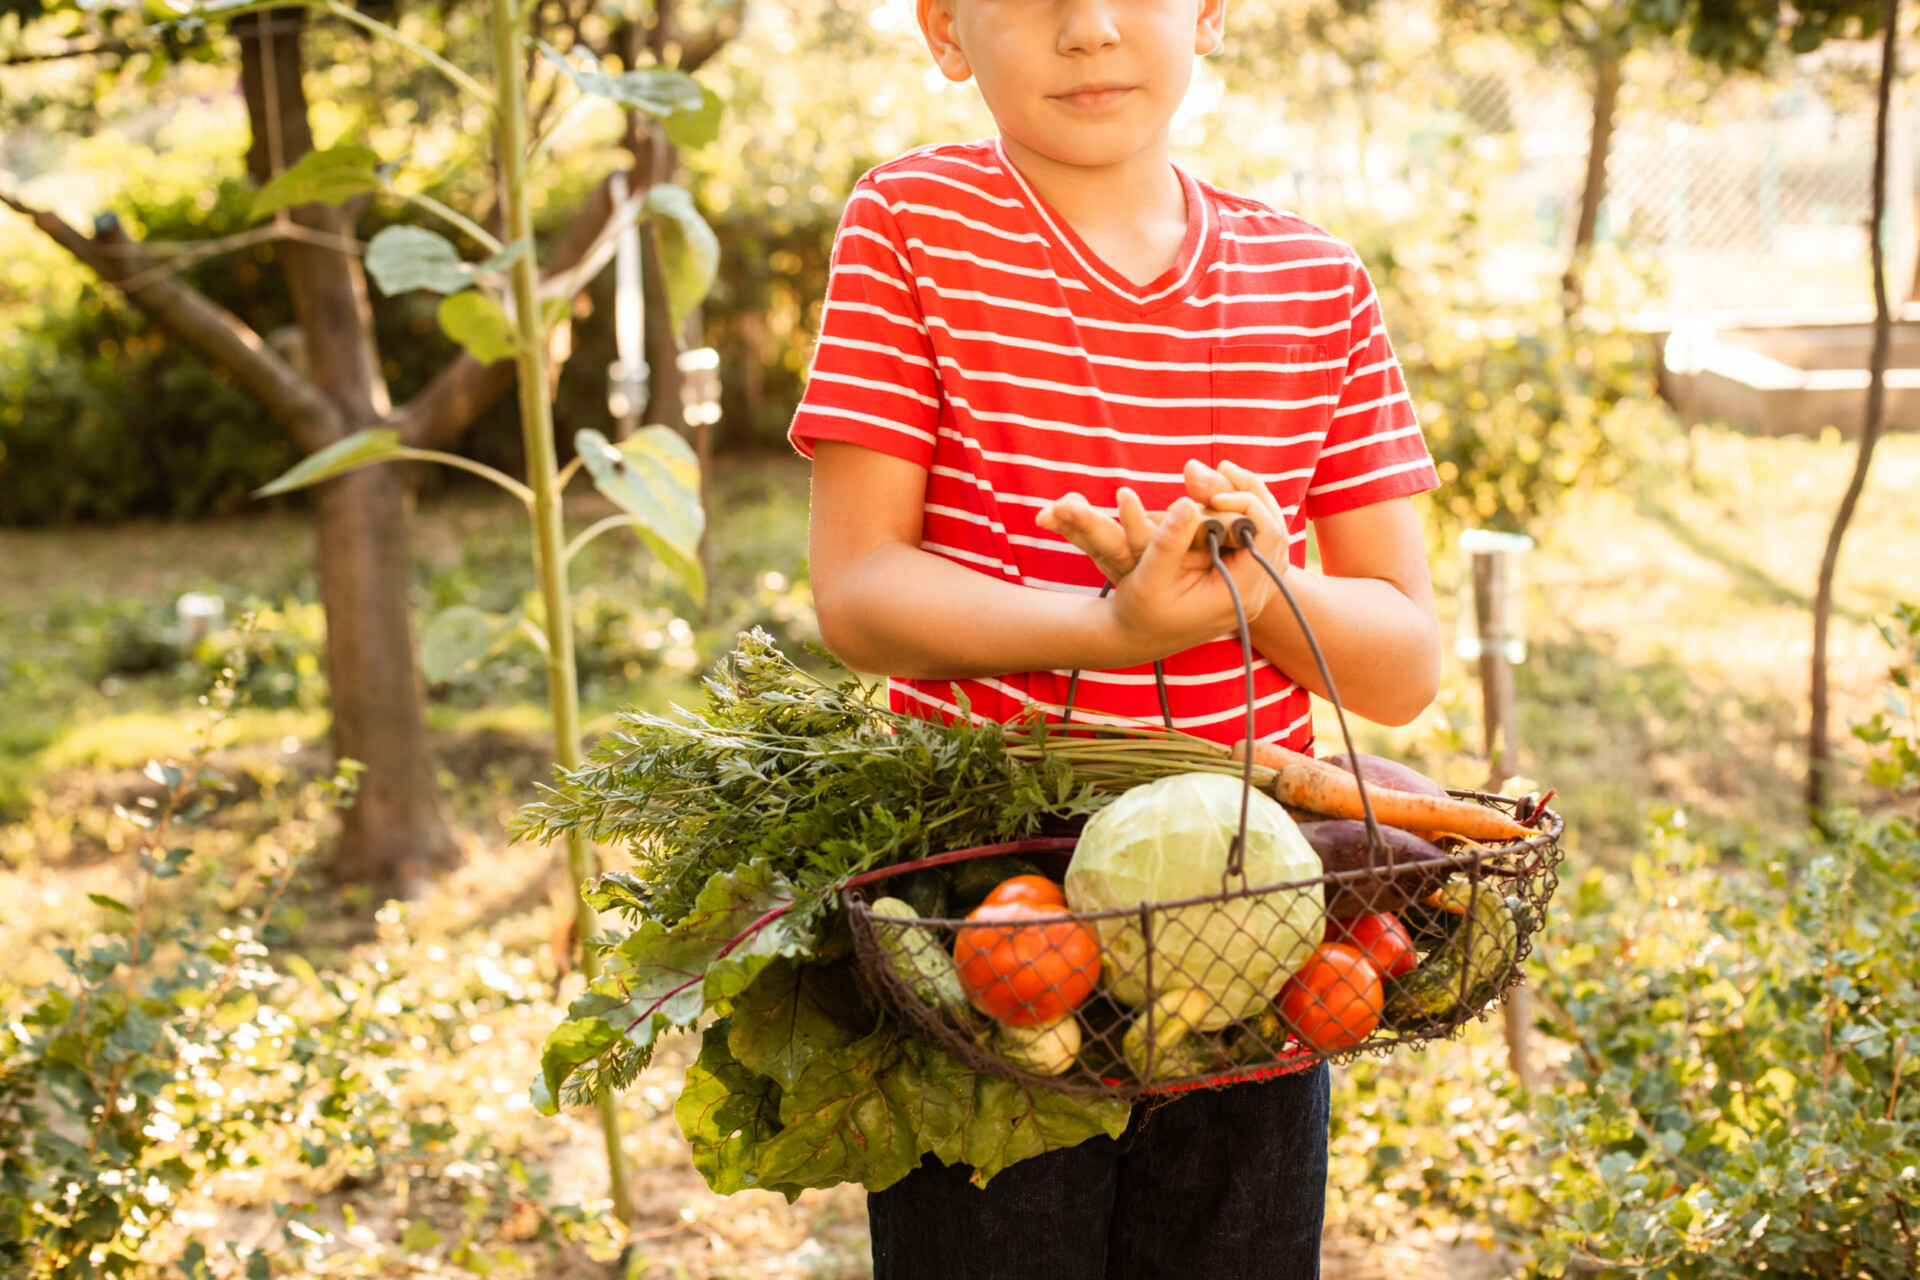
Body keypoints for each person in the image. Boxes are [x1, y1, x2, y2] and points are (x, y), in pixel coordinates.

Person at [791, 0, 1444, 1272]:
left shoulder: (1315, 281)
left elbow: (1403, 662)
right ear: (945, 29)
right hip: (992, 920)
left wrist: (1263, 590)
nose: (1087, 29)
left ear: (1207, 14)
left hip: (1259, 932)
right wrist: (1111, 626)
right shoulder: (913, 228)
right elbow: (860, 590)